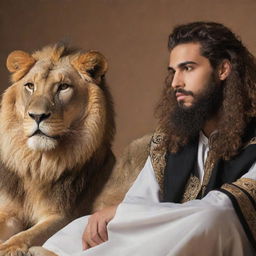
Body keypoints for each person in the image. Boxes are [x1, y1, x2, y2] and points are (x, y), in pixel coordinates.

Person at [43, 22, 256, 256]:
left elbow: (226, 209)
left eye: (188, 68)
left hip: (225, 240)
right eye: (173, 71)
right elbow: (141, 200)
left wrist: (124, 214)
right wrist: (122, 213)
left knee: (211, 218)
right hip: (168, 235)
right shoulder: (170, 138)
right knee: (84, 227)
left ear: (223, 70)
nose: (176, 82)